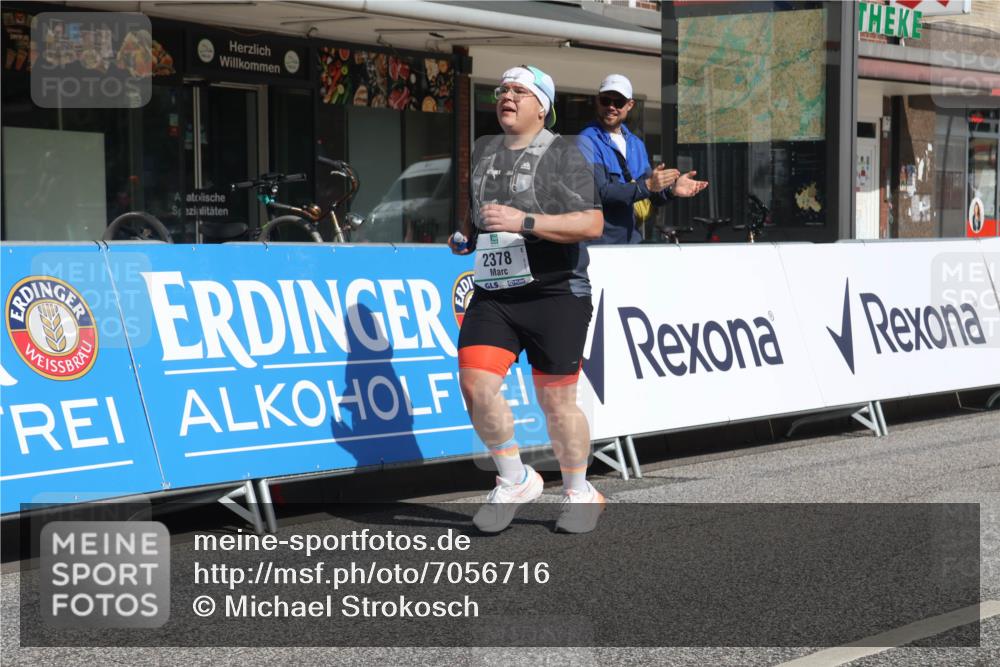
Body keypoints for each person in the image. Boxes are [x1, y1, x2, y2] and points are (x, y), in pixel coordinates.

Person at [448, 65, 605, 534]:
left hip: (556, 291)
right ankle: (515, 479)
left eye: (519, 90)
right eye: (502, 90)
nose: (506, 96)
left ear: (542, 106)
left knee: (556, 403)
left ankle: (580, 490)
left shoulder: (565, 154)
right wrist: (467, 235)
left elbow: (591, 224)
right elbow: (484, 217)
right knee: (475, 385)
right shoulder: (484, 152)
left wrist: (526, 223)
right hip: (496, 292)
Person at [578, 74, 708, 244]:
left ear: (630, 105)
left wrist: (672, 190)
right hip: (599, 246)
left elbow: (650, 195)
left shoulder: (635, 144)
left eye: (618, 102)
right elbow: (601, 193)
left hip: (631, 242)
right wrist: (647, 186)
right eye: (605, 100)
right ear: (597, 101)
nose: (611, 107)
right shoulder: (586, 140)